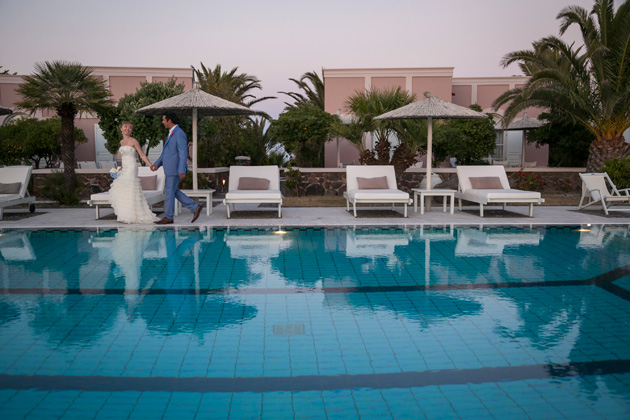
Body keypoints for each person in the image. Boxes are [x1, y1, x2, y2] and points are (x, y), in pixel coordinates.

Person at [151, 112, 202, 224]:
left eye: (164, 119)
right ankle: (194, 207)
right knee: (174, 191)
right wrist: (156, 164)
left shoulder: (179, 133)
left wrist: (181, 170)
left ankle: (169, 217)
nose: (162, 122)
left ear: (170, 120)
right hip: (170, 168)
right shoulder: (171, 133)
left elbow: (183, 153)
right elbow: (165, 153)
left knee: (170, 192)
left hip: (174, 169)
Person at [108, 122, 158, 224]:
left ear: (131, 130)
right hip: (125, 167)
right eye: (125, 127)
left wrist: (150, 165)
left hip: (132, 167)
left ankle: (133, 215)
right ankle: (126, 214)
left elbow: (142, 155)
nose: (127, 129)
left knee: (131, 188)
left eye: (130, 128)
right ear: (121, 129)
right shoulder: (121, 142)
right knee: (124, 189)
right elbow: (123, 156)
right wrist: (121, 167)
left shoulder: (133, 141)